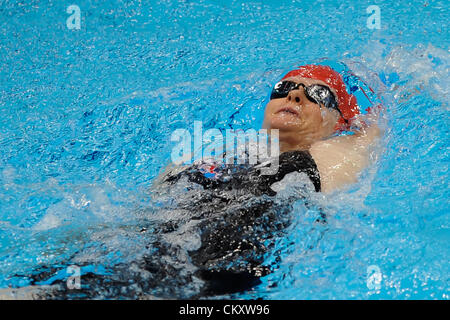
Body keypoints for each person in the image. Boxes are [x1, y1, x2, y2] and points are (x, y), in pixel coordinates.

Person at [2, 64, 382, 299]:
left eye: (317, 94)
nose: (295, 93)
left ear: (338, 121)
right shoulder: (210, 154)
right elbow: (140, 213)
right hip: (148, 246)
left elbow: (375, 129)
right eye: (282, 88)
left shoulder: (330, 155)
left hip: (219, 266)